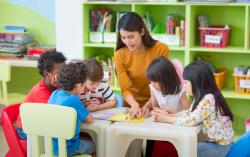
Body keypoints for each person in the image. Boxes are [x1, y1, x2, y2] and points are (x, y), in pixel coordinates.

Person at [152, 61, 234, 157]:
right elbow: (190, 113)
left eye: (186, 82)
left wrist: (166, 119)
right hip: (214, 143)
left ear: (197, 82)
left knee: (187, 151)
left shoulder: (208, 99)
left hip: (220, 147)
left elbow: (191, 120)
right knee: (185, 148)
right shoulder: (202, 97)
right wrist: (169, 115)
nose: (184, 85)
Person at [114, 12, 170, 119]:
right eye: (123, 37)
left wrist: (148, 105)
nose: (127, 42)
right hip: (131, 106)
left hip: (157, 105)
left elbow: (162, 84)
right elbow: (125, 88)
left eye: (131, 37)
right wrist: (134, 105)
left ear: (142, 32)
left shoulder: (161, 49)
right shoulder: (119, 54)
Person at [16, 50, 66, 140]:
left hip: (40, 125)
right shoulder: (40, 92)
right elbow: (56, 115)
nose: (64, 75)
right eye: (60, 73)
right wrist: (62, 89)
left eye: (65, 71)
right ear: (46, 74)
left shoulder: (57, 87)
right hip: (25, 130)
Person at [146, 56, 190, 157]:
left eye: (155, 81)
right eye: (151, 81)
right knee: (151, 138)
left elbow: (188, 111)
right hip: (162, 123)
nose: (152, 84)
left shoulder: (180, 90)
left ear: (166, 78)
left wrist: (172, 114)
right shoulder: (153, 88)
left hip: (177, 124)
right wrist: (159, 112)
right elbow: (154, 106)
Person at [48, 62, 95, 156]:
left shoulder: (55, 94)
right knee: (95, 145)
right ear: (78, 86)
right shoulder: (73, 100)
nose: (84, 88)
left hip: (51, 146)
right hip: (68, 148)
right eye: (83, 85)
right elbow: (90, 119)